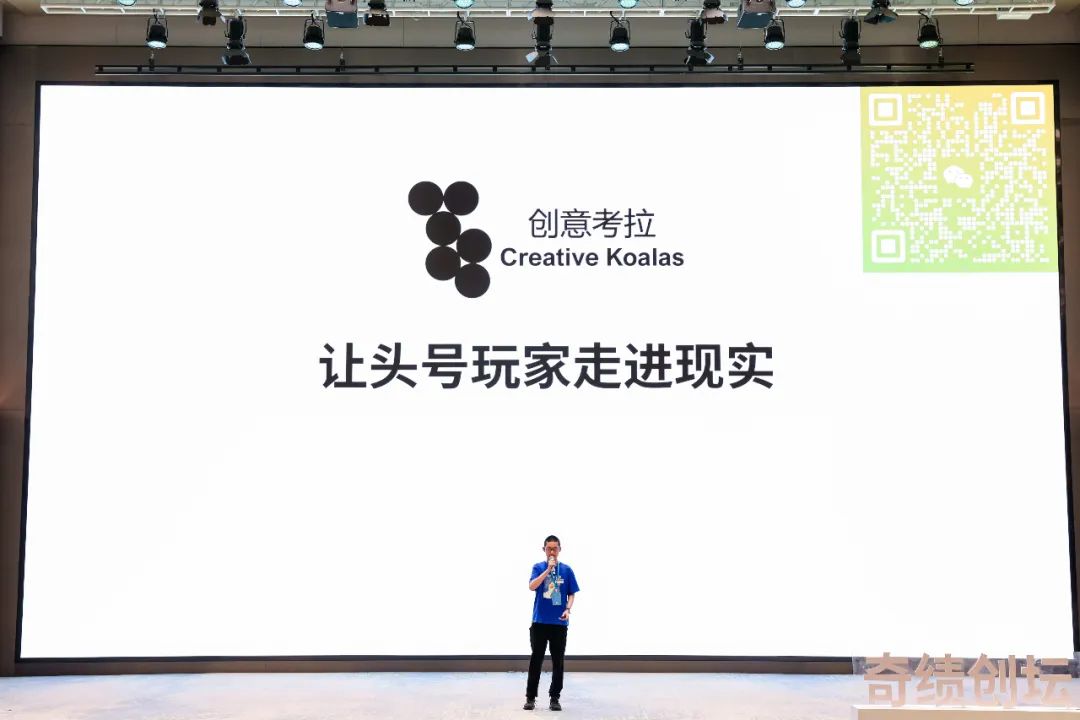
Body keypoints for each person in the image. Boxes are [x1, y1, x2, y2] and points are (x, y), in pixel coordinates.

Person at [524, 535, 579, 712]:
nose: (552, 552)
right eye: (549, 548)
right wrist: (548, 570)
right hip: (540, 622)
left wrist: (568, 609)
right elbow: (532, 586)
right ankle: (530, 697)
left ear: (560, 550)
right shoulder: (538, 567)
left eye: (555, 548)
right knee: (536, 660)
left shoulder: (567, 570)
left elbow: (571, 593)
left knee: (558, 662)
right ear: (544, 550)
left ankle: (554, 698)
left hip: (559, 624)